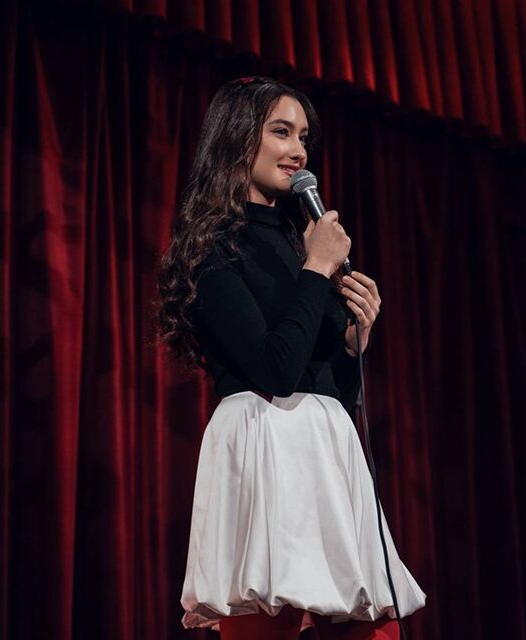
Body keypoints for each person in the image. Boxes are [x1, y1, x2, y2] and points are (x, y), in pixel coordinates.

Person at [157, 76, 425, 640]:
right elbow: (275, 370)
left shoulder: (300, 240)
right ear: (237, 138)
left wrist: (354, 340)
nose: (299, 150)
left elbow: (329, 384)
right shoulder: (215, 248)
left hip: (325, 441)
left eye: (303, 136)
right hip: (266, 438)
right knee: (268, 619)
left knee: (369, 624)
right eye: (281, 132)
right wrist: (316, 269)